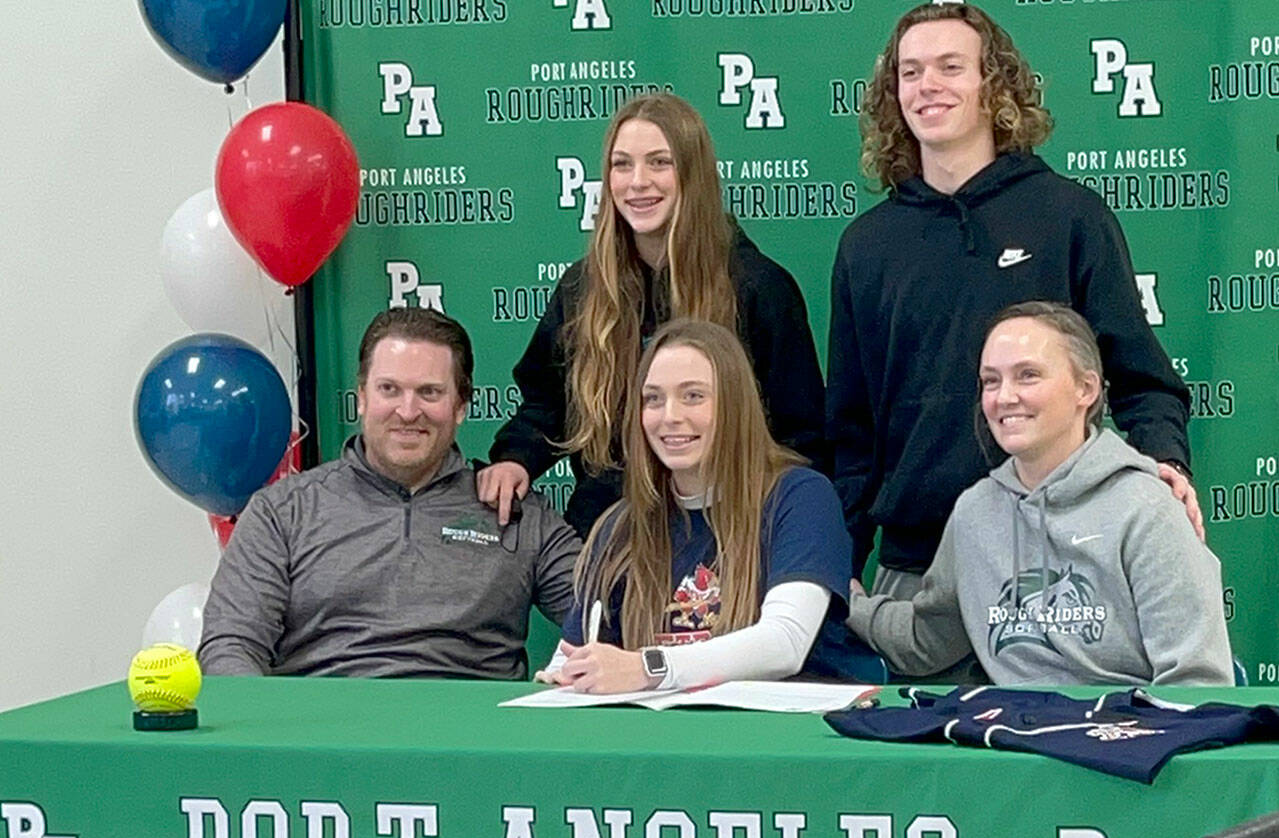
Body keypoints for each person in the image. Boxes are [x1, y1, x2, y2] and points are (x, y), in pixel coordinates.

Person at [827, 3, 1198, 601]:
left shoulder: (1069, 217)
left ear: (992, 86)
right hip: (915, 572)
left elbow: (1142, 380)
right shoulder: (867, 246)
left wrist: (1167, 467)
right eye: (911, 72)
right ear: (892, 94)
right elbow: (851, 436)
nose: (929, 87)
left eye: (951, 67)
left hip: (1062, 560)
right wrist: (834, 564)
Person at [479, 92, 826, 539]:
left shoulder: (759, 289)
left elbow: (800, 440)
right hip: (608, 530)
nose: (638, 181)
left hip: (726, 535)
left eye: (659, 162)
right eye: (622, 165)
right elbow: (549, 402)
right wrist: (515, 457)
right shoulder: (583, 289)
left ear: (693, 173)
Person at [846, 302, 1233, 685]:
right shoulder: (975, 511)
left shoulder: (1147, 509)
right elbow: (928, 640)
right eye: (991, 381)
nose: (1005, 397)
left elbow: (1196, 682)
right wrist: (844, 600)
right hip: (1015, 737)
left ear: (1087, 389)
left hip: (1122, 739)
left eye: (1028, 375)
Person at [199, 307, 580, 679]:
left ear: (461, 406)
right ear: (362, 397)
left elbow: (609, 617)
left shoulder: (517, 513)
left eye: (429, 392)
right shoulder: (282, 511)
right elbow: (231, 644)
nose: (408, 411)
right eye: (389, 390)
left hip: (474, 734)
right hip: (327, 733)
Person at [540, 319, 869, 694]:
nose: (670, 416)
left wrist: (650, 667)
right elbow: (570, 655)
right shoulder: (621, 526)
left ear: (735, 405)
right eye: (653, 399)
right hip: (665, 741)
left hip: (787, 740)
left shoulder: (800, 497)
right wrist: (568, 675)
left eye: (693, 396)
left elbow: (786, 643)